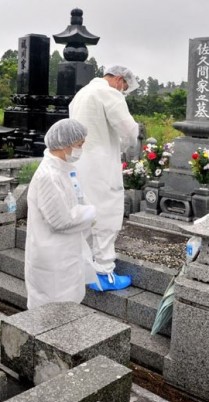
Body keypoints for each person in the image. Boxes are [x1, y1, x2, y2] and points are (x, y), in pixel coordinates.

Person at [69, 65, 140, 291]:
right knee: (107, 215)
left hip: (79, 163)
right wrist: (123, 146)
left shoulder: (81, 94)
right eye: (125, 88)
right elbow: (129, 130)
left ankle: (85, 268)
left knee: (85, 214)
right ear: (119, 80)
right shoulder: (109, 93)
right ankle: (104, 273)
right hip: (101, 165)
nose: (123, 92)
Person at [24, 118, 98, 309]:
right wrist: (91, 213)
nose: (81, 149)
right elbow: (60, 220)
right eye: (79, 145)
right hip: (52, 257)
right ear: (65, 144)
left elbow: (76, 200)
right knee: (51, 310)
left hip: (66, 252)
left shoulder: (64, 169)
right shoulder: (48, 176)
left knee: (67, 306)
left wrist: (86, 210)